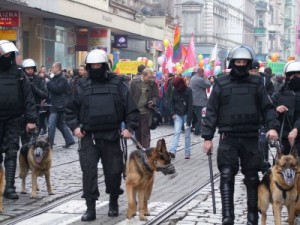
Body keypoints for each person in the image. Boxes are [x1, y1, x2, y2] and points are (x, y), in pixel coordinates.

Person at [202, 45, 280, 225]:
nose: (241, 64)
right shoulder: (221, 83)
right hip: (228, 137)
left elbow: (267, 108)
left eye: (245, 62)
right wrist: (207, 137)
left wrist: (273, 127)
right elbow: (212, 111)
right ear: (232, 62)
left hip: (250, 137)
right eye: (238, 61)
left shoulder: (256, 84)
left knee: (252, 177)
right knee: (227, 174)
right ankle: (227, 217)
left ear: (249, 63)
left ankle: (252, 218)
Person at [65, 49, 139, 221]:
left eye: (99, 64)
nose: (96, 67)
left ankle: (113, 201)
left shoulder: (118, 84)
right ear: (89, 67)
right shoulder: (82, 85)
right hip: (88, 136)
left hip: (112, 136)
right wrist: (75, 127)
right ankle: (90, 207)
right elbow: (70, 109)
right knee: (89, 172)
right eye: (93, 65)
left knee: (113, 172)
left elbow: (131, 109)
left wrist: (129, 127)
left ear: (105, 65)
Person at [0, 40, 37, 199]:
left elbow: (28, 97)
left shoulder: (19, 74)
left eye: (10, 54)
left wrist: (31, 119)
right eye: (5, 54)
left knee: (11, 151)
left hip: (13, 118)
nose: (8, 57)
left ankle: (9, 186)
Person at [272, 60, 300, 155]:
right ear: (287, 76)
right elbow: (268, 111)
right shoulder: (279, 94)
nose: (296, 77)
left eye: (299, 74)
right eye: (293, 75)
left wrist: (296, 129)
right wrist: (277, 109)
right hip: (284, 139)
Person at [47, 62, 75, 148]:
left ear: (58, 68)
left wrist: (48, 83)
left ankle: (49, 144)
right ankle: (70, 140)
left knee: (51, 125)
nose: (52, 69)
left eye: (53, 67)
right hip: (54, 104)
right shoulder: (54, 78)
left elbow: (57, 89)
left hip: (58, 106)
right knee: (60, 124)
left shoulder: (62, 79)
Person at [129, 67, 159, 148]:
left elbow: (156, 96)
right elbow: (129, 96)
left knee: (145, 134)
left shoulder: (153, 84)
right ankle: (140, 151)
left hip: (147, 112)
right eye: (148, 77)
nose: (150, 79)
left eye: (151, 77)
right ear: (143, 75)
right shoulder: (134, 82)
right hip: (136, 112)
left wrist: (153, 101)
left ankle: (146, 152)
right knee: (138, 134)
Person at [21, 58, 48, 141]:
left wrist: (33, 86)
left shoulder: (39, 79)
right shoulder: (20, 79)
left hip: (35, 109)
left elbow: (45, 94)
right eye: (27, 69)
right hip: (22, 110)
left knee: (33, 134)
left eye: (31, 68)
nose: (30, 70)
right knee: (23, 134)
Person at [169, 76, 193, 159]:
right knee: (176, 132)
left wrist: (189, 120)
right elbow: (172, 102)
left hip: (186, 114)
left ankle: (187, 152)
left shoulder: (188, 90)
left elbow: (190, 105)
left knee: (187, 134)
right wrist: (173, 113)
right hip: (178, 114)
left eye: (176, 86)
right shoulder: (174, 90)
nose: (175, 87)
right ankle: (172, 151)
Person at [188, 68, 211, 135]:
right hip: (199, 101)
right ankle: (197, 131)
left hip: (193, 100)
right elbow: (208, 85)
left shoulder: (193, 78)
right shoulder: (200, 79)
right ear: (202, 73)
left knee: (195, 116)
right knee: (200, 117)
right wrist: (206, 78)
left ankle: (194, 128)